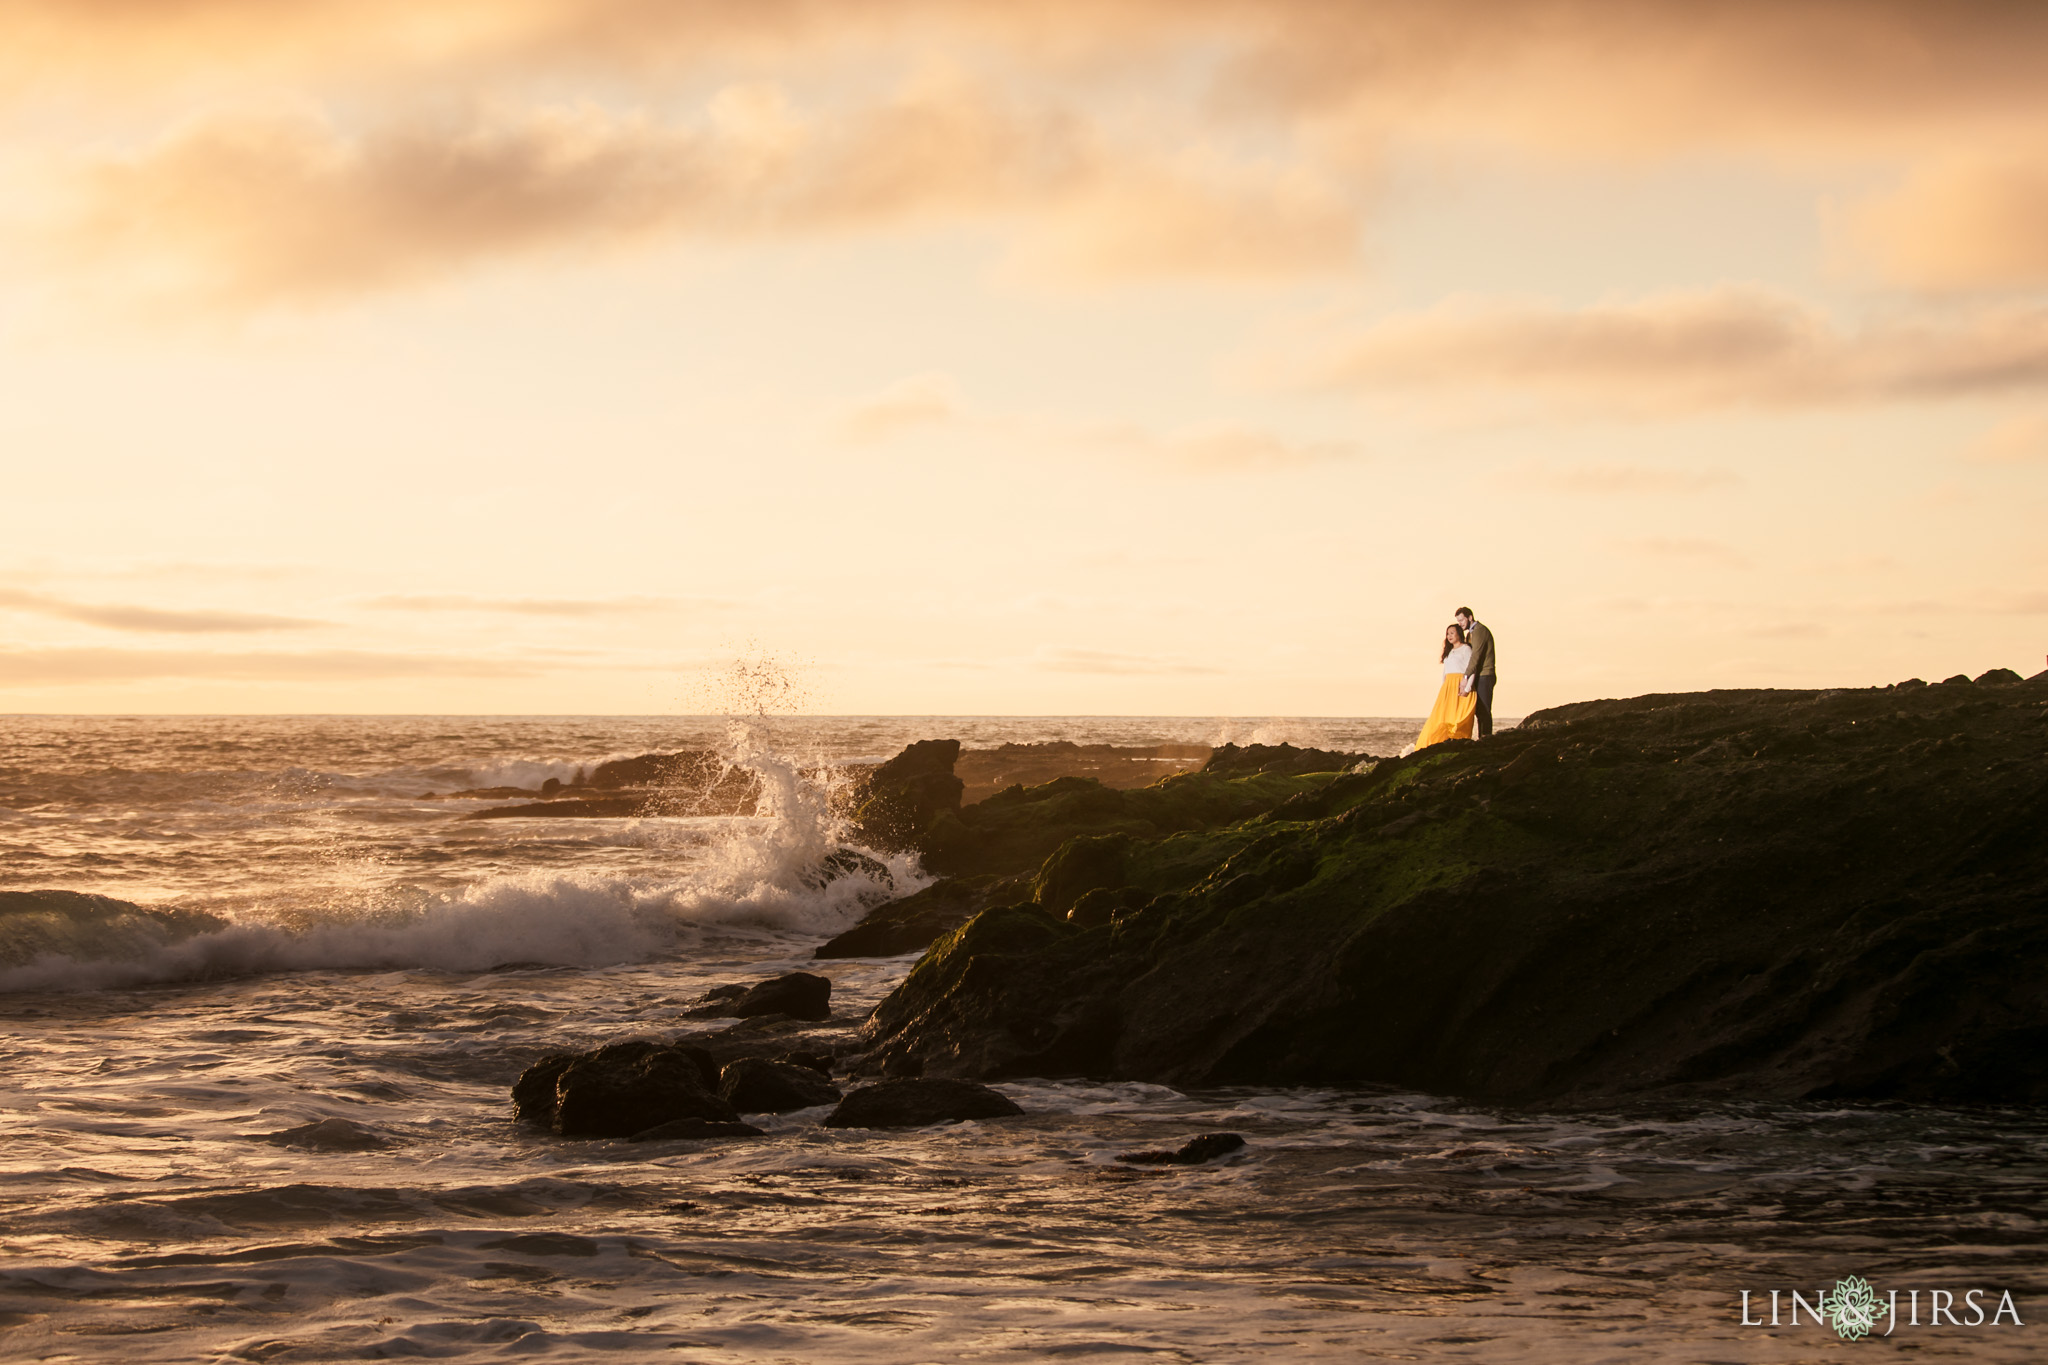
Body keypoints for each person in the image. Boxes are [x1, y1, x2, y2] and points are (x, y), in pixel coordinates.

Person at [1414, 623, 1479, 750]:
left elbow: (1472, 670)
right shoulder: (1449, 651)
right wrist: (1444, 687)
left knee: (1459, 719)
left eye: (1452, 633)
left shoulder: (1466, 649)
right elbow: (1445, 672)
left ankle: (1459, 745)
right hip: (1448, 688)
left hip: (1461, 685)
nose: (1449, 636)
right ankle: (1432, 745)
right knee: (1440, 718)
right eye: (1448, 634)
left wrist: (1467, 688)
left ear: (1459, 634)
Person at [1453, 606, 1497, 738]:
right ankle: (1482, 738)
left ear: (1470, 618)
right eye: (1458, 621)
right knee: (1478, 710)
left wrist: (1466, 676)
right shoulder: (1470, 634)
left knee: (1484, 710)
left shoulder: (1479, 631)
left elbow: (1475, 656)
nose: (1460, 624)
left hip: (1485, 675)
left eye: (1461, 620)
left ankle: (1486, 739)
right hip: (1478, 675)